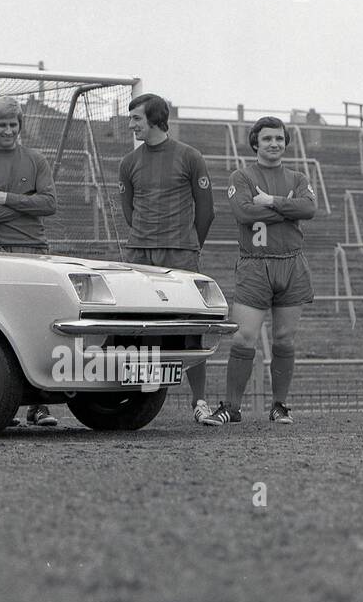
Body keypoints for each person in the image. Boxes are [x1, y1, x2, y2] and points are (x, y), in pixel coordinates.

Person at [118, 92, 218, 425]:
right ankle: (138, 403)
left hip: (181, 255)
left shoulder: (190, 157)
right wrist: (147, 239)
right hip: (140, 254)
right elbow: (129, 211)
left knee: (191, 328)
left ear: (156, 120)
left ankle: (200, 401)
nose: (131, 124)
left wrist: (190, 245)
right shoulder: (129, 163)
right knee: (140, 329)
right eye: (130, 118)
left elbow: (206, 211)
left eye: (136, 118)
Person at [210, 117, 316, 425]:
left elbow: (309, 209)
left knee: (284, 339)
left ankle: (279, 405)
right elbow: (244, 213)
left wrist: (271, 202)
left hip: (292, 263)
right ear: (256, 142)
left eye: (279, 139)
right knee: (244, 337)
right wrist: (287, 210)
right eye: (268, 138)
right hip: (255, 264)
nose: (274, 143)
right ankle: (232, 407)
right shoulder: (241, 176)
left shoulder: (297, 177)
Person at [0, 95, 60, 427]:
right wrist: (29, 201)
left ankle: (41, 405)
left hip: (36, 251)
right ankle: (3, 405)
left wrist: (8, 197)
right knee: (3, 330)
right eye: (2, 125)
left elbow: (50, 204)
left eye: (13, 124)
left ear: (20, 126)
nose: (8, 131)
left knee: (40, 328)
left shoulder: (35, 159)